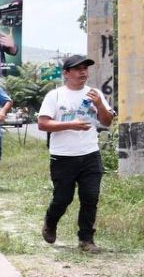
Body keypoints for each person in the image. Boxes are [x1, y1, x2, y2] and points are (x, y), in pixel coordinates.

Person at [37, 55, 115, 254]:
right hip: (63, 157)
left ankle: (86, 239)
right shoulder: (54, 96)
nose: (83, 72)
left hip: (90, 154)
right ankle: (51, 221)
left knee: (90, 197)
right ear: (66, 73)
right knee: (63, 198)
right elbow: (43, 123)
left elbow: (107, 122)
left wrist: (99, 105)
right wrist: (71, 125)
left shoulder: (94, 94)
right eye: (77, 69)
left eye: (85, 69)